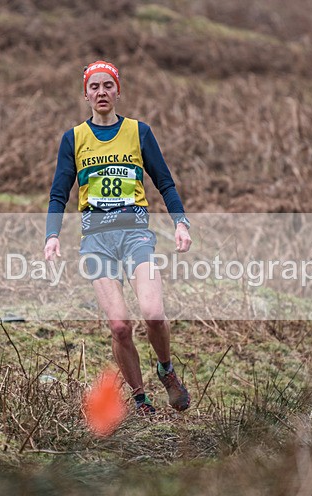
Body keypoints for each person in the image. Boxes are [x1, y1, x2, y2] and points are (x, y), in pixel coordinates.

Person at [44, 60, 192, 415]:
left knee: (154, 313)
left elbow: (165, 183)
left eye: (107, 86)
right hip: (96, 242)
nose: (101, 92)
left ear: (118, 90)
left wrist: (180, 223)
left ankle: (166, 370)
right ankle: (140, 399)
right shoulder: (74, 138)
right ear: (85, 94)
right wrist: (52, 235)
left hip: (135, 236)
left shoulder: (139, 132)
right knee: (120, 327)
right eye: (93, 87)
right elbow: (58, 193)